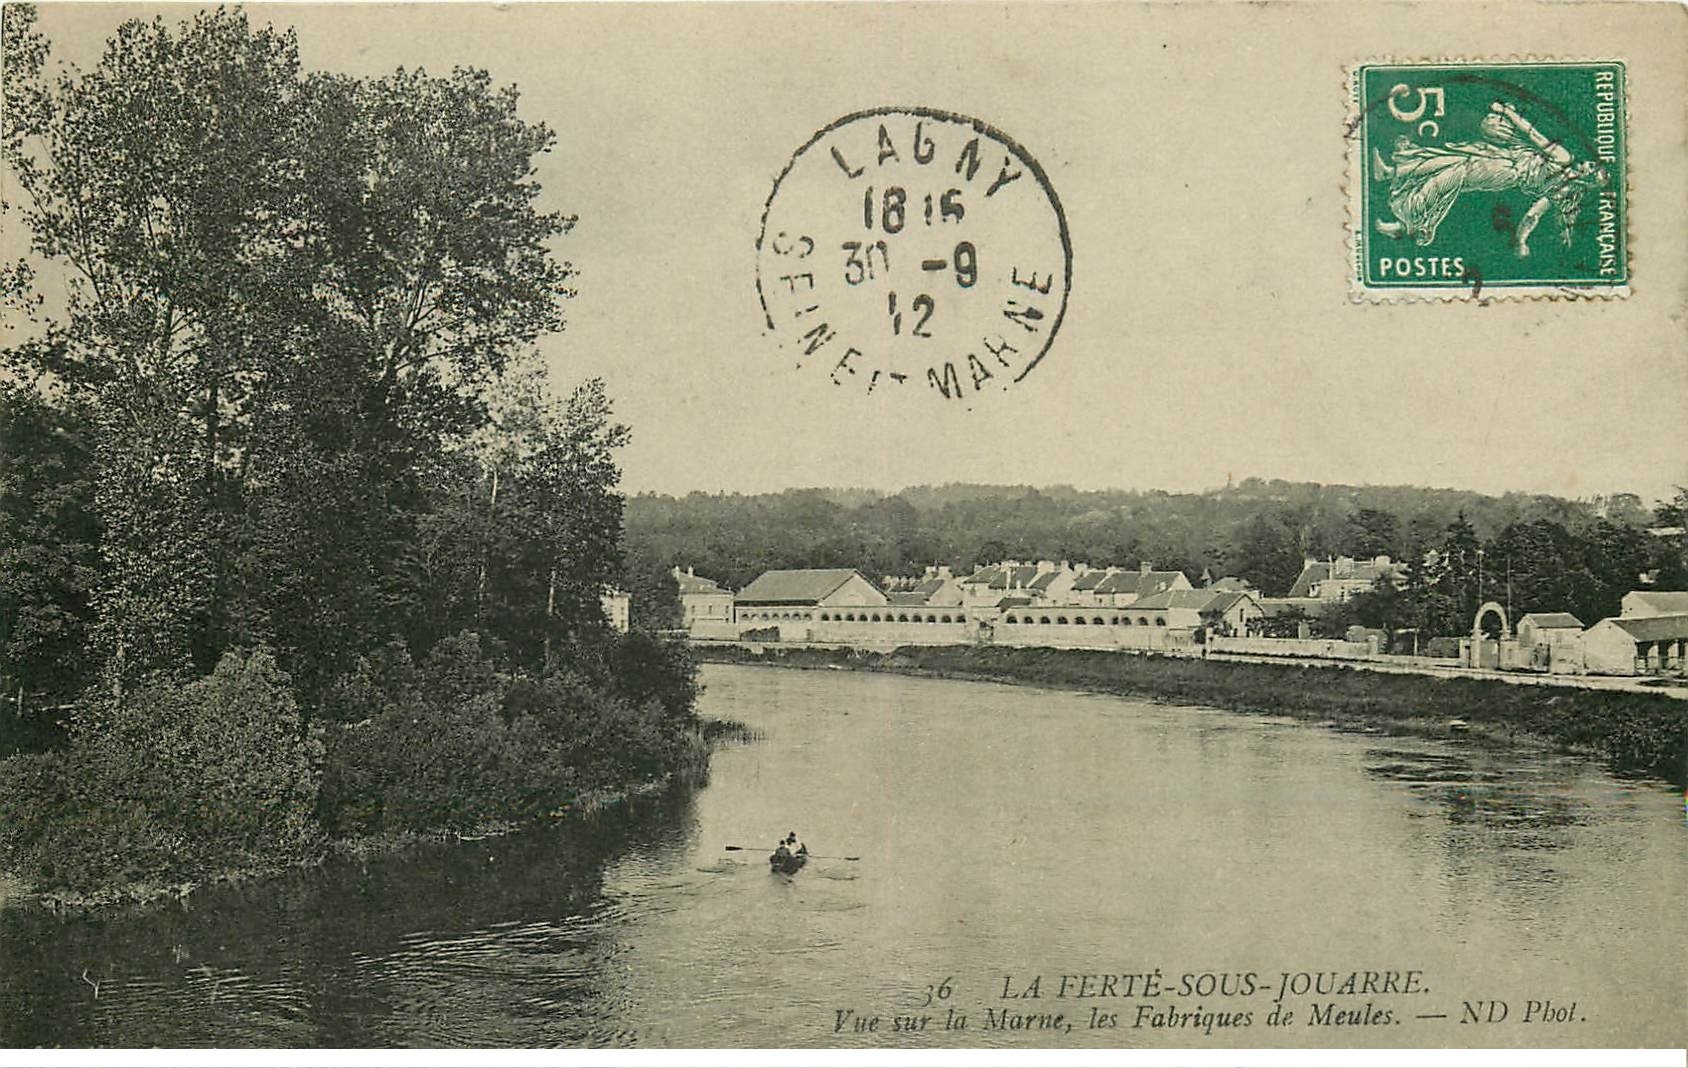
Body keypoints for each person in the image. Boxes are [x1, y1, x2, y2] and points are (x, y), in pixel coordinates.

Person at [1372, 100, 1606, 256]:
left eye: (1592, 167)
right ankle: (1392, 175)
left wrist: (1508, 112)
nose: (1588, 163)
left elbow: (1532, 134)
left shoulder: (1564, 160)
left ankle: (1408, 221)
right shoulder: (1562, 190)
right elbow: (1532, 217)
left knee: (1456, 170)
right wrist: (1521, 241)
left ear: (1589, 178)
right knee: (1453, 157)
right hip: (1504, 157)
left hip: (1506, 169)